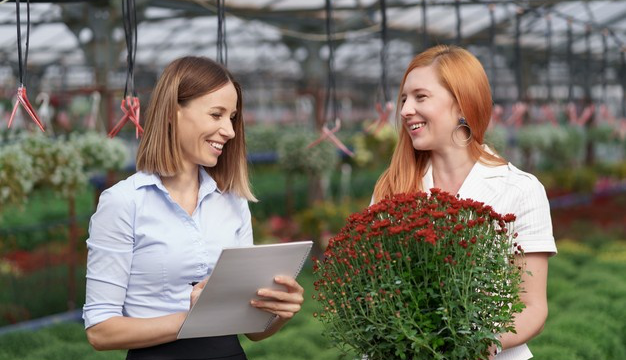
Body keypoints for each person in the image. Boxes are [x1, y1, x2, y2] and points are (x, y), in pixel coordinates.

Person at [83, 56, 304, 360]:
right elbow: (100, 330)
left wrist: (279, 312)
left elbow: (253, 330)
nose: (229, 130)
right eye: (216, 115)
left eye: (232, 118)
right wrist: (198, 318)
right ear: (174, 113)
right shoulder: (123, 202)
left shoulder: (233, 200)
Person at [372, 45, 557, 360]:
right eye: (404, 99)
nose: (404, 110)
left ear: (461, 104)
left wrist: (480, 343)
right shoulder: (392, 188)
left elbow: (533, 306)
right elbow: (376, 292)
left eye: (420, 97)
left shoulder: (520, 189)